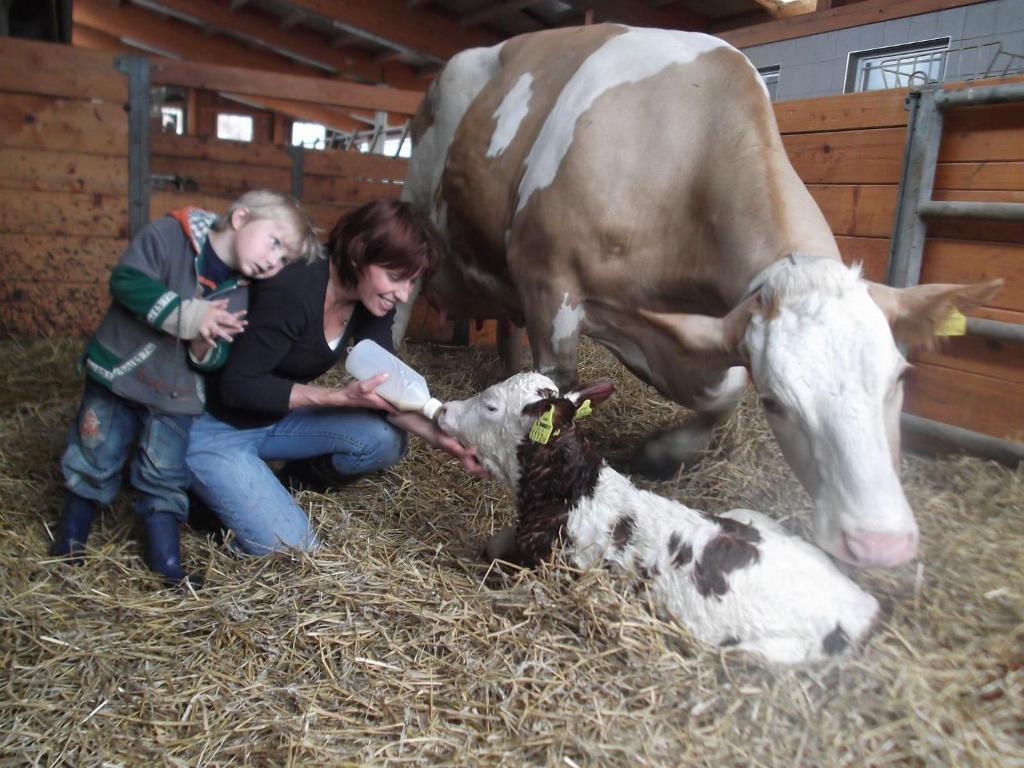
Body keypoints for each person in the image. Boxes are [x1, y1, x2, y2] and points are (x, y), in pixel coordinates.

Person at [186, 198, 484, 556]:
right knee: (294, 551)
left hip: (273, 416)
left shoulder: (371, 299)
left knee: (385, 438)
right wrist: (336, 398)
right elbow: (237, 388)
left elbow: (387, 383)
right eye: (395, 278)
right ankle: (203, 496)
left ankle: (279, 484)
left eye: (412, 281)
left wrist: (443, 439)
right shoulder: (295, 286)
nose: (403, 294)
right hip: (216, 426)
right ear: (358, 255)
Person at [53, 189, 321, 586]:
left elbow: (214, 357)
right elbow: (126, 281)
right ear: (241, 217)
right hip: (119, 379)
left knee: (165, 474)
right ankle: (69, 545)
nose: (273, 261)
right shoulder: (169, 235)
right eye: (275, 242)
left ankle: (166, 564)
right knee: (96, 454)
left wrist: (202, 345)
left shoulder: (243, 290)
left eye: (283, 259)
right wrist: (189, 315)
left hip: (175, 395)